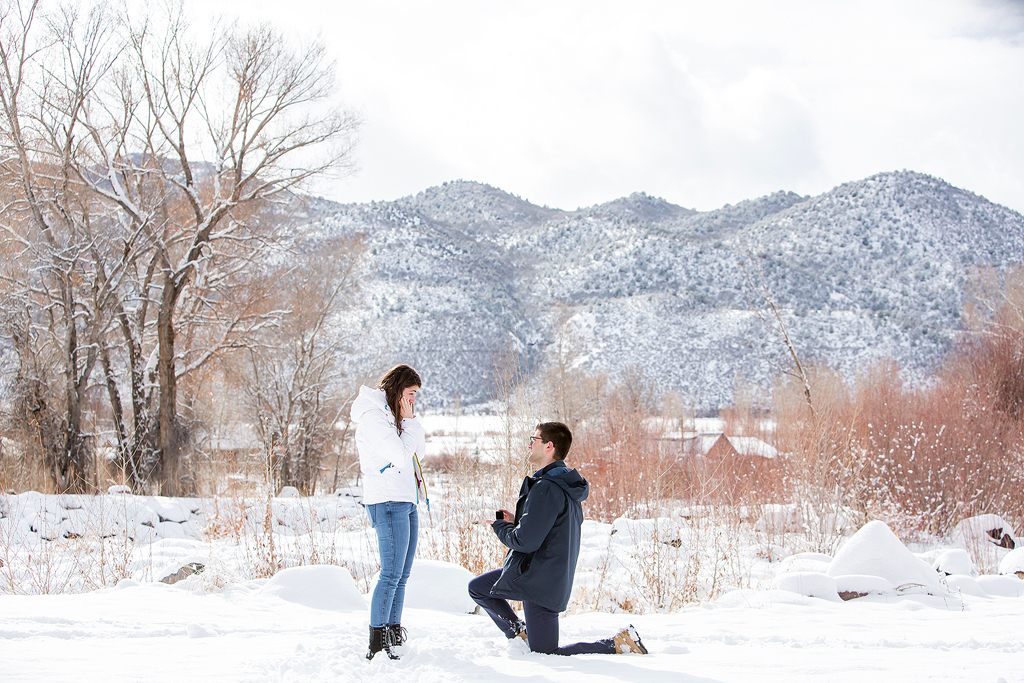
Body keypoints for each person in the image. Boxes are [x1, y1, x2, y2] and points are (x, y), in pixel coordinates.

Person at [468, 421, 648, 656]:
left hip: (541, 580)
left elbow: (526, 542)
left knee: (546, 653)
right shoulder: (562, 482)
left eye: (534, 440)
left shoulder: (547, 487)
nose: (530, 445)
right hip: (541, 573)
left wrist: (501, 527)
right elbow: (549, 527)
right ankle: (520, 633)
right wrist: (518, 521)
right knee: (479, 588)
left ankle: (619, 644)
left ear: (549, 446)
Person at [351, 364, 428, 661]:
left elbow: (416, 453)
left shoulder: (396, 417)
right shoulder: (373, 418)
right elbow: (399, 454)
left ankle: (393, 632)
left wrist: (410, 421)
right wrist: (408, 425)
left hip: (406, 498)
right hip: (387, 499)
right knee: (391, 573)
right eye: (410, 394)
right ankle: (377, 640)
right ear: (397, 390)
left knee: (403, 574)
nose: (412, 401)